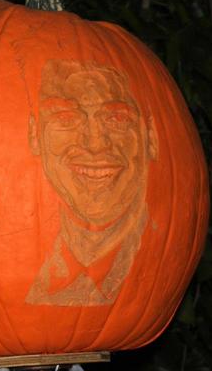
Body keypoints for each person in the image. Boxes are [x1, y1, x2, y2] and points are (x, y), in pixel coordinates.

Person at [25, 59, 158, 306]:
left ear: (150, 136)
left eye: (117, 119)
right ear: (35, 135)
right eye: (66, 119)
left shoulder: (162, 259)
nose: (95, 144)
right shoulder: (21, 257)